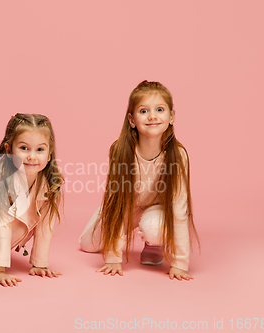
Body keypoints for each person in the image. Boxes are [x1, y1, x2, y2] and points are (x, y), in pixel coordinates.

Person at [79, 80, 199, 281]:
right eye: (144, 111)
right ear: (132, 119)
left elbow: (179, 210)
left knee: (153, 227)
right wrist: (113, 257)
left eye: (159, 109)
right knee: (87, 244)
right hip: (126, 207)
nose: (152, 116)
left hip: (157, 209)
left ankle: (154, 244)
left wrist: (179, 263)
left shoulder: (178, 155)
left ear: (171, 116)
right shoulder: (120, 151)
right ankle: (102, 217)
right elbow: (117, 203)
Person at [0, 113, 64, 287]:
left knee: (7, 238)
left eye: (40, 150)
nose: (32, 156)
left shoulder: (50, 184)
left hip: (10, 218)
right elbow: (2, 223)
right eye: (24, 148)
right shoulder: (0, 181)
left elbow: (46, 225)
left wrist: (40, 264)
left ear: (50, 154)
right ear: (8, 150)